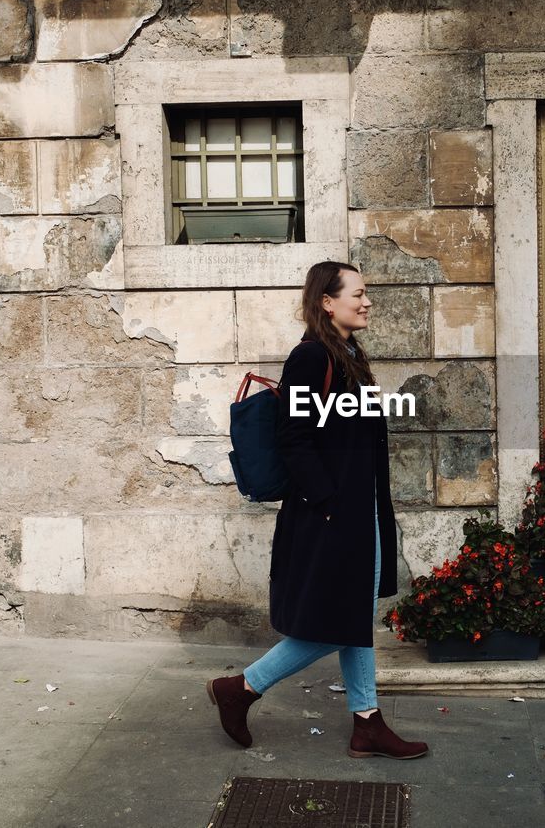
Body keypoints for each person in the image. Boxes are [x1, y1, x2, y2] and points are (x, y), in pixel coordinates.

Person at [206, 261, 429, 760]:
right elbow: (293, 437)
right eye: (359, 293)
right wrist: (327, 502)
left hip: (359, 511)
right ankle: (240, 688)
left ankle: (367, 722)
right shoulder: (310, 358)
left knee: (353, 615)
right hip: (333, 514)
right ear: (327, 302)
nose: (367, 301)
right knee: (342, 619)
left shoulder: (347, 353)